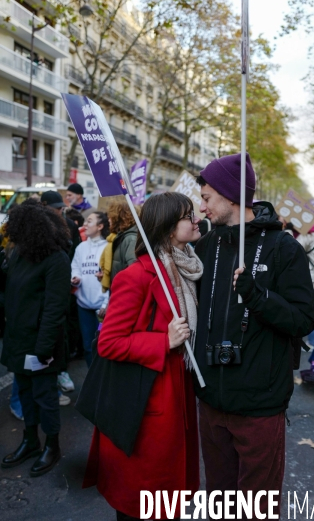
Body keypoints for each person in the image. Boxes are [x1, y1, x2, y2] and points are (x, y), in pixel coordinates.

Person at [194, 153, 314, 519]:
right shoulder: (206, 245)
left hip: (259, 403)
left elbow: (303, 318)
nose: (202, 208)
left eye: (207, 198)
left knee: (256, 508)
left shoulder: (283, 249)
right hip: (211, 398)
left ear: (232, 197)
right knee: (218, 500)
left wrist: (258, 296)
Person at [82, 193, 202, 520]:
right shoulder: (136, 276)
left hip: (175, 393)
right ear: (166, 226)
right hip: (144, 401)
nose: (196, 219)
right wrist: (163, 341)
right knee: (143, 501)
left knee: (167, 501)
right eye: (188, 216)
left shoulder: (188, 268)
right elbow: (108, 343)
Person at [1, 202, 71, 476]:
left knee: (45, 397)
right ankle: (30, 441)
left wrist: (43, 349)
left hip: (42, 345)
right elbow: (10, 294)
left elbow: (55, 309)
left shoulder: (57, 259)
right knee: (25, 395)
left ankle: (52, 446)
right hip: (18, 340)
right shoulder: (19, 254)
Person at [40, 190, 79, 394]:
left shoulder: (70, 225)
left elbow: (77, 252)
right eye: (55, 208)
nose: (59, 212)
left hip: (64, 282)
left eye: (60, 208)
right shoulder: (35, 226)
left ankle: (61, 371)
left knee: (60, 329)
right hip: (43, 284)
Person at [71, 211, 109, 366]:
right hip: (84, 307)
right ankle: (91, 382)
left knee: (103, 345)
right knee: (88, 346)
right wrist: (76, 279)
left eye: (90, 221)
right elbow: (75, 267)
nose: (85, 224)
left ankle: (103, 382)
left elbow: (113, 279)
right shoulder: (81, 247)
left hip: (103, 310)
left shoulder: (108, 247)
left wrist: (106, 304)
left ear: (100, 226)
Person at [99, 201, 140, 291]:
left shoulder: (130, 239)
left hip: (124, 293)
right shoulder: (121, 237)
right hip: (119, 291)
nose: (108, 220)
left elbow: (134, 272)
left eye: (111, 217)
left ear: (120, 217)